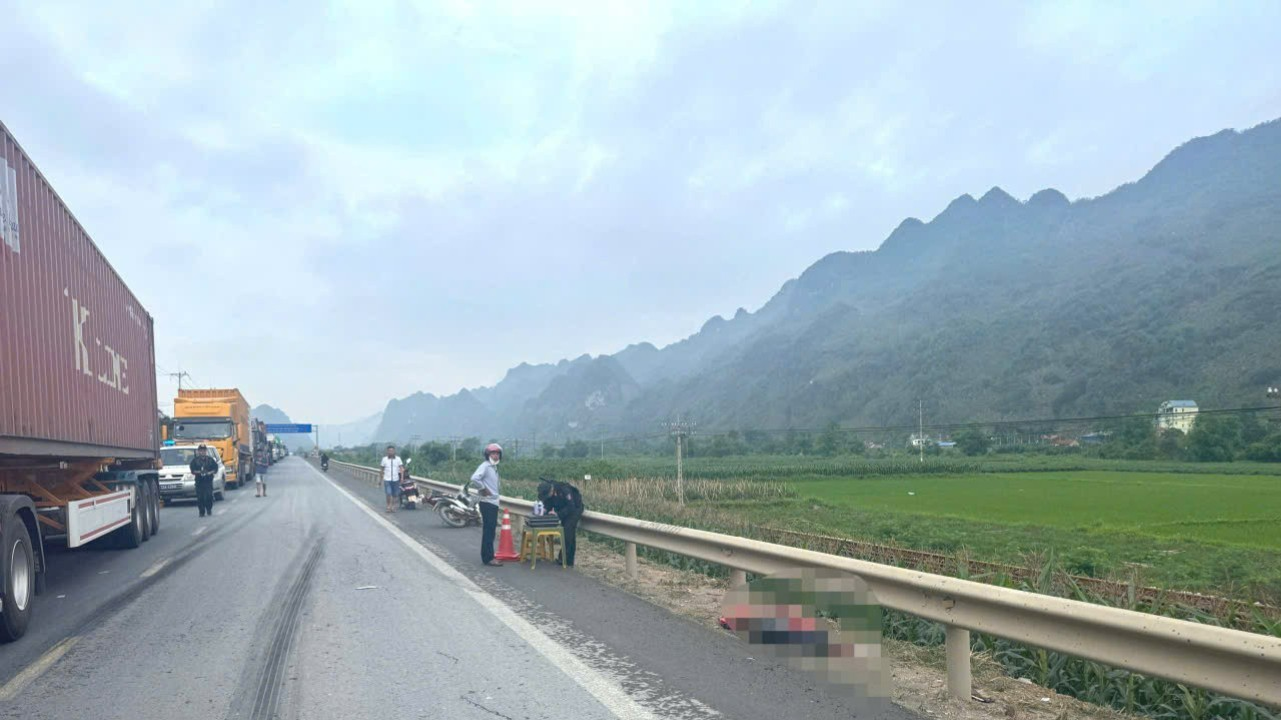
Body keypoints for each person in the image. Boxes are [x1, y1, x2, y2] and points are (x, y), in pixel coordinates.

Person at [470, 443, 503, 566]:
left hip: (493, 502)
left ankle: (488, 555)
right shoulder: (485, 466)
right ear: (488, 455)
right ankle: (488, 558)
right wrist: (483, 488)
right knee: (489, 531)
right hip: (487, 502)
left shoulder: (493, 468)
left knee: (490, 530)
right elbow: (474, 478)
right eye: (493, 453)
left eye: (497, 453)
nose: (495, 456)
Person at [538, 478, 584, 567]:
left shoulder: (564, 490)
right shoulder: (549, 493)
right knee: (568, 534)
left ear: (551, 491)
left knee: (567, 532)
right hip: (563, 508)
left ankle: (563, 559)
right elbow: (548, 503)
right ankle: (568, 561)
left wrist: (558, 514)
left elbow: (571, 507)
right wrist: (545, 510)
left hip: (575, 508)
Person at [189, 444, 219, 517]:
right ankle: (201, 511)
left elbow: (215, 469)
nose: (202, 452)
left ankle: (209, 509)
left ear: (206, 451)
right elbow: (192, 470)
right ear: (198, 451)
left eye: (204, 450)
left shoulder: (210, 460)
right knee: (200, 497)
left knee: (209, 496)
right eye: (201, 450)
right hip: (199, 481)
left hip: (208, 481)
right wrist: (200, 472)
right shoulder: (195, 461)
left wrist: (209, 472)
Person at [380, 445, 404, 513]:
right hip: (387, 479)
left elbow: (401, 469)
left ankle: (393, 506)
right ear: (387, 451)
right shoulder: (384, 459)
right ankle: (388, 506)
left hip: (396, 479)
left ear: (394, 451)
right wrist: (380, 479)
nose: (391, 452)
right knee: (388, 493)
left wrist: (402, 478)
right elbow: (382, 470)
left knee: (395, 494)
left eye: (392, 451)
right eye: (389, 451)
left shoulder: (398, 459)